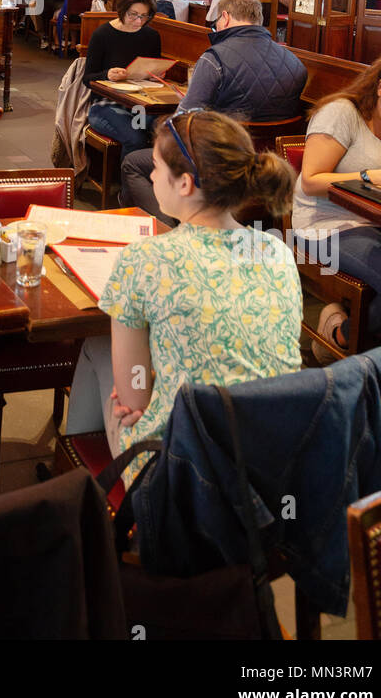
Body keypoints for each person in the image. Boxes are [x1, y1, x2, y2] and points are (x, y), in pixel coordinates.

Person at [66, 111, 302, 487]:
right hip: (271, 465)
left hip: (180, 477)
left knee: (97, 347)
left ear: (186, 183)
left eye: (157, 167)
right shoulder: (277, 252)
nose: (153, 176)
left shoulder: (144, 259)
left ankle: (83, 481)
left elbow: (135, 402)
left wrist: (142, 392)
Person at [292, 39, 381, 365]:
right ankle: (339, 335)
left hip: (379, 222)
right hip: (324, 226)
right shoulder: (341, 114)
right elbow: (311, 181)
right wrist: (372, 176)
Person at [120, 0, 307, 220]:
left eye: (216, 21)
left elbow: (182, 122)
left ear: (225, 18)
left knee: (132, 163)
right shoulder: (295, 63)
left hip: (219, 164)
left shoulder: (215, 58)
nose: (216, 26)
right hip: (273, 165)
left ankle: (169, 229)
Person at [84, 0, 161, 156]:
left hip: (139, 105)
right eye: (133, 14)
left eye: (144, 16)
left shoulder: (151, 36)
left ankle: (156, 178)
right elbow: (87, 78)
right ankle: (131, 182)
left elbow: (151, 71)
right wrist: (107, 75)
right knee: (135, 138)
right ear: (123, 8)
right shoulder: (103, 34)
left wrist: (154, 75)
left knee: (164, 129)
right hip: (105, 106)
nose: (138, 21)